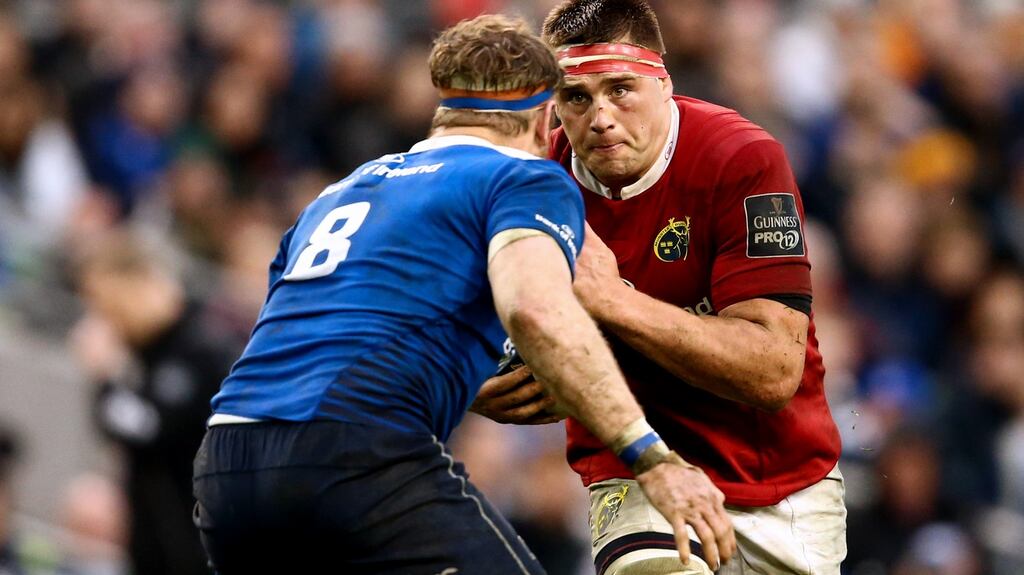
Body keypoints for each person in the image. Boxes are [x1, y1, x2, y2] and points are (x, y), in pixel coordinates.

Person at [192, 14, 734, 575]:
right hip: (351, 454)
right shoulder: (519, 175)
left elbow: (311, 332)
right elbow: (535, 309)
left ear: (445, 108)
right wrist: (651, 458)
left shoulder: (339, 192)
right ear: (545, 113)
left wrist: (457, 377)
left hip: (227, 466)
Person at [473, 1, 846, 573]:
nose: (600, 117)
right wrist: (465, 382)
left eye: (620, 89)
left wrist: (612, 298)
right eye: (577, 97)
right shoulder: (525, 184)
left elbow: (774, 372)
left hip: (778, 476)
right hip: (632, 470)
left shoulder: (741, 159)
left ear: (663, 84)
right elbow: (435, 318)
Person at [70, 230, 238, 575]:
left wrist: (106, 379)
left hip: (199, 547)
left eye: (107, 304)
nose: (106, 320)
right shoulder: (150, 353)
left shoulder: (200, 348)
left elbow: (149, 428)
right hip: (154, 545)